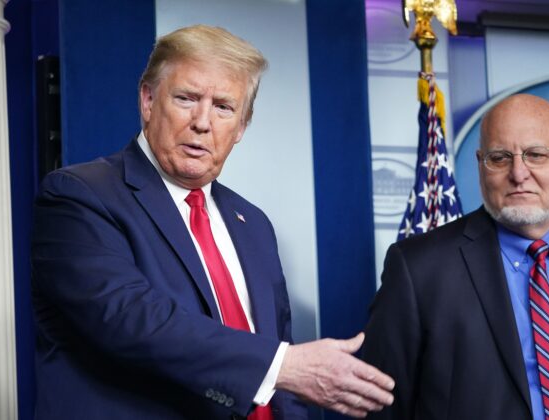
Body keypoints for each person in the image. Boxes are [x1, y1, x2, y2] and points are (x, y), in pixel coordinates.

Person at [31, 25, 393, 420]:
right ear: (148, 101)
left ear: (241, 127)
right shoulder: (80, 195)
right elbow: (131, 319)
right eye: (186, 98)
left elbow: (279, 361)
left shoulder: (252, 223)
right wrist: (283, 364)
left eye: (223, 107)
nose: (203, 122)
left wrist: (286, 373)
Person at [362, 94, 549, 419]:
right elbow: (380, 405)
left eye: (536, 155)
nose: (519, 173)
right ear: (481, 165)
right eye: (500, 157)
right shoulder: (418, 269)